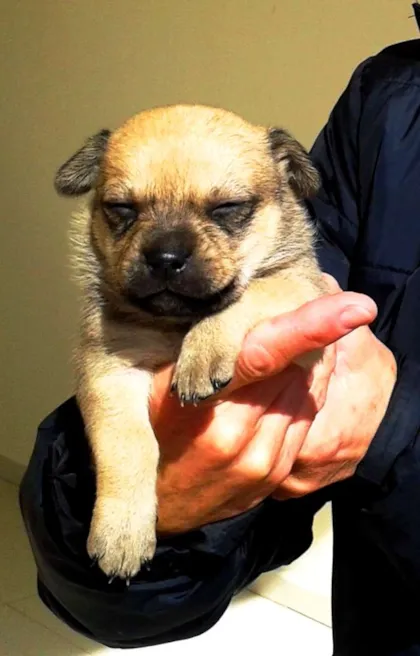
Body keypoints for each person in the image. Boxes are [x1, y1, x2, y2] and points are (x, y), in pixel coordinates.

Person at [19, 32, 420, 655]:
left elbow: (299, 286)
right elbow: (110, 372)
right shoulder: (388, 93)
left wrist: (231, 322)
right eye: (124, 211)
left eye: (226, 209)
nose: (166, 250)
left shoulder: (282, 254)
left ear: (285, 187)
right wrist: (132, 492)